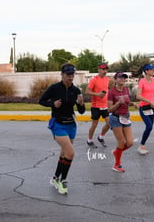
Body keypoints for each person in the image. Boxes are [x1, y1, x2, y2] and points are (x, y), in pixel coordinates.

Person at [38, 63, 85, 195]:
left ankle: (55, 178)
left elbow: (81, 111)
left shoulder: (75, 90)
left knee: (64, 154)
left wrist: (81, 104)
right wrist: (53, 104)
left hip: (71, 124)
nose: (70, 77)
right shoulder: (54, 88)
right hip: (58, 124)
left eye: (72, 75)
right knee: (70, 153)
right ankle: (63, 181)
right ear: (62, 75)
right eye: (68, 75)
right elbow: (41, 101)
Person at [107, 72, 137, 172]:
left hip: (125, 117)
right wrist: (118, 103)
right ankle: (117, 165)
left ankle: (117, 152)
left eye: (124, 78)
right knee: (121, 142)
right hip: (115, 118)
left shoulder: (126, 89)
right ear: (115, 79)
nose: (123, 79)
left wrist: (133, 104)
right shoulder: (111, 92)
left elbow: (127, 103)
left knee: (130, 143)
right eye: (120, 77)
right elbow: (109, 109)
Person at [136, 63, 154, 155]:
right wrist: (149, 101)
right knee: (149, 126)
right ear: (146, 71)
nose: (153, 70)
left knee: (150, 128)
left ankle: (142, 145)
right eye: (151, 69)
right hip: (143, 107)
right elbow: (138, 96)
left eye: (153, 69)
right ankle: (141, 146)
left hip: (151, 107)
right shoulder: (142, 81)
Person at [85, 62, 110, 148]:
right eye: (103, 69)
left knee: (110, 123)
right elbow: (87, 91)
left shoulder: (107, 79)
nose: (104, 71)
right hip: (96, 106)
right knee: (94, 125)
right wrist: (97, 94)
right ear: (98, 70)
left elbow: (106, 90)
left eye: (106, 69)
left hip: (105, 106)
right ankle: (89, 140)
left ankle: (101, 137)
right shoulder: (94, 80)